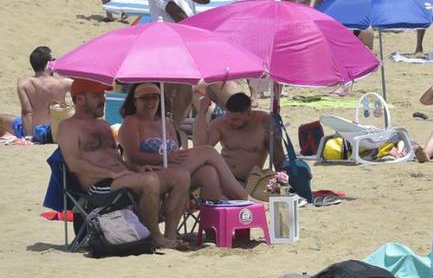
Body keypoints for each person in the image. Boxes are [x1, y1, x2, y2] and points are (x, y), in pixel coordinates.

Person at [55, 79, 193, 250]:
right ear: (80, 99)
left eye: (103, 95)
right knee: (149, 181)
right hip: (98, 185)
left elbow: (116, 159)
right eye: (97, 96)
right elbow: (74, 164)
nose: (103, 100)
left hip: (123, 177)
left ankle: (170, 235)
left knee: (181, 176)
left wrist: (136, 168)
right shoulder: (68, 127)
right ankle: (155, 237)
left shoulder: (104, 125)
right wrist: (110, 173)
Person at [117, 83, 256, 203]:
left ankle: (209, 228)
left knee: (209, 173)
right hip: (150, 172)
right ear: (134, 101)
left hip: (173, 169)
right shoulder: (131, 122)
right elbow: (133, 156)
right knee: (207, 151)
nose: (150, 102)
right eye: (144, 98)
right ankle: (244, 197)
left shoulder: (165, 123)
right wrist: (165, 157)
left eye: (154, 97)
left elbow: (177, 151)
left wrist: (176, 153)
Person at [192, 92, 283, 199]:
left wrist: (282, 179)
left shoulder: (263, 122)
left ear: (249, 113)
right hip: (223, 179)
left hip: (251, 182)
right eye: (228, 117)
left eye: (235, 119)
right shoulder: (220, 124)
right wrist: (202, 112)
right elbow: (200, 149)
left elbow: (278, 157)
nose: (230, 122)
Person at [4, 47, 71, 143]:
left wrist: (28, 137)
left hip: (36, 133)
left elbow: (27, 112)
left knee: (3, 118)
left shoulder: (24, 83)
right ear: (49, 63)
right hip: (56, 132)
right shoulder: (63, 84)